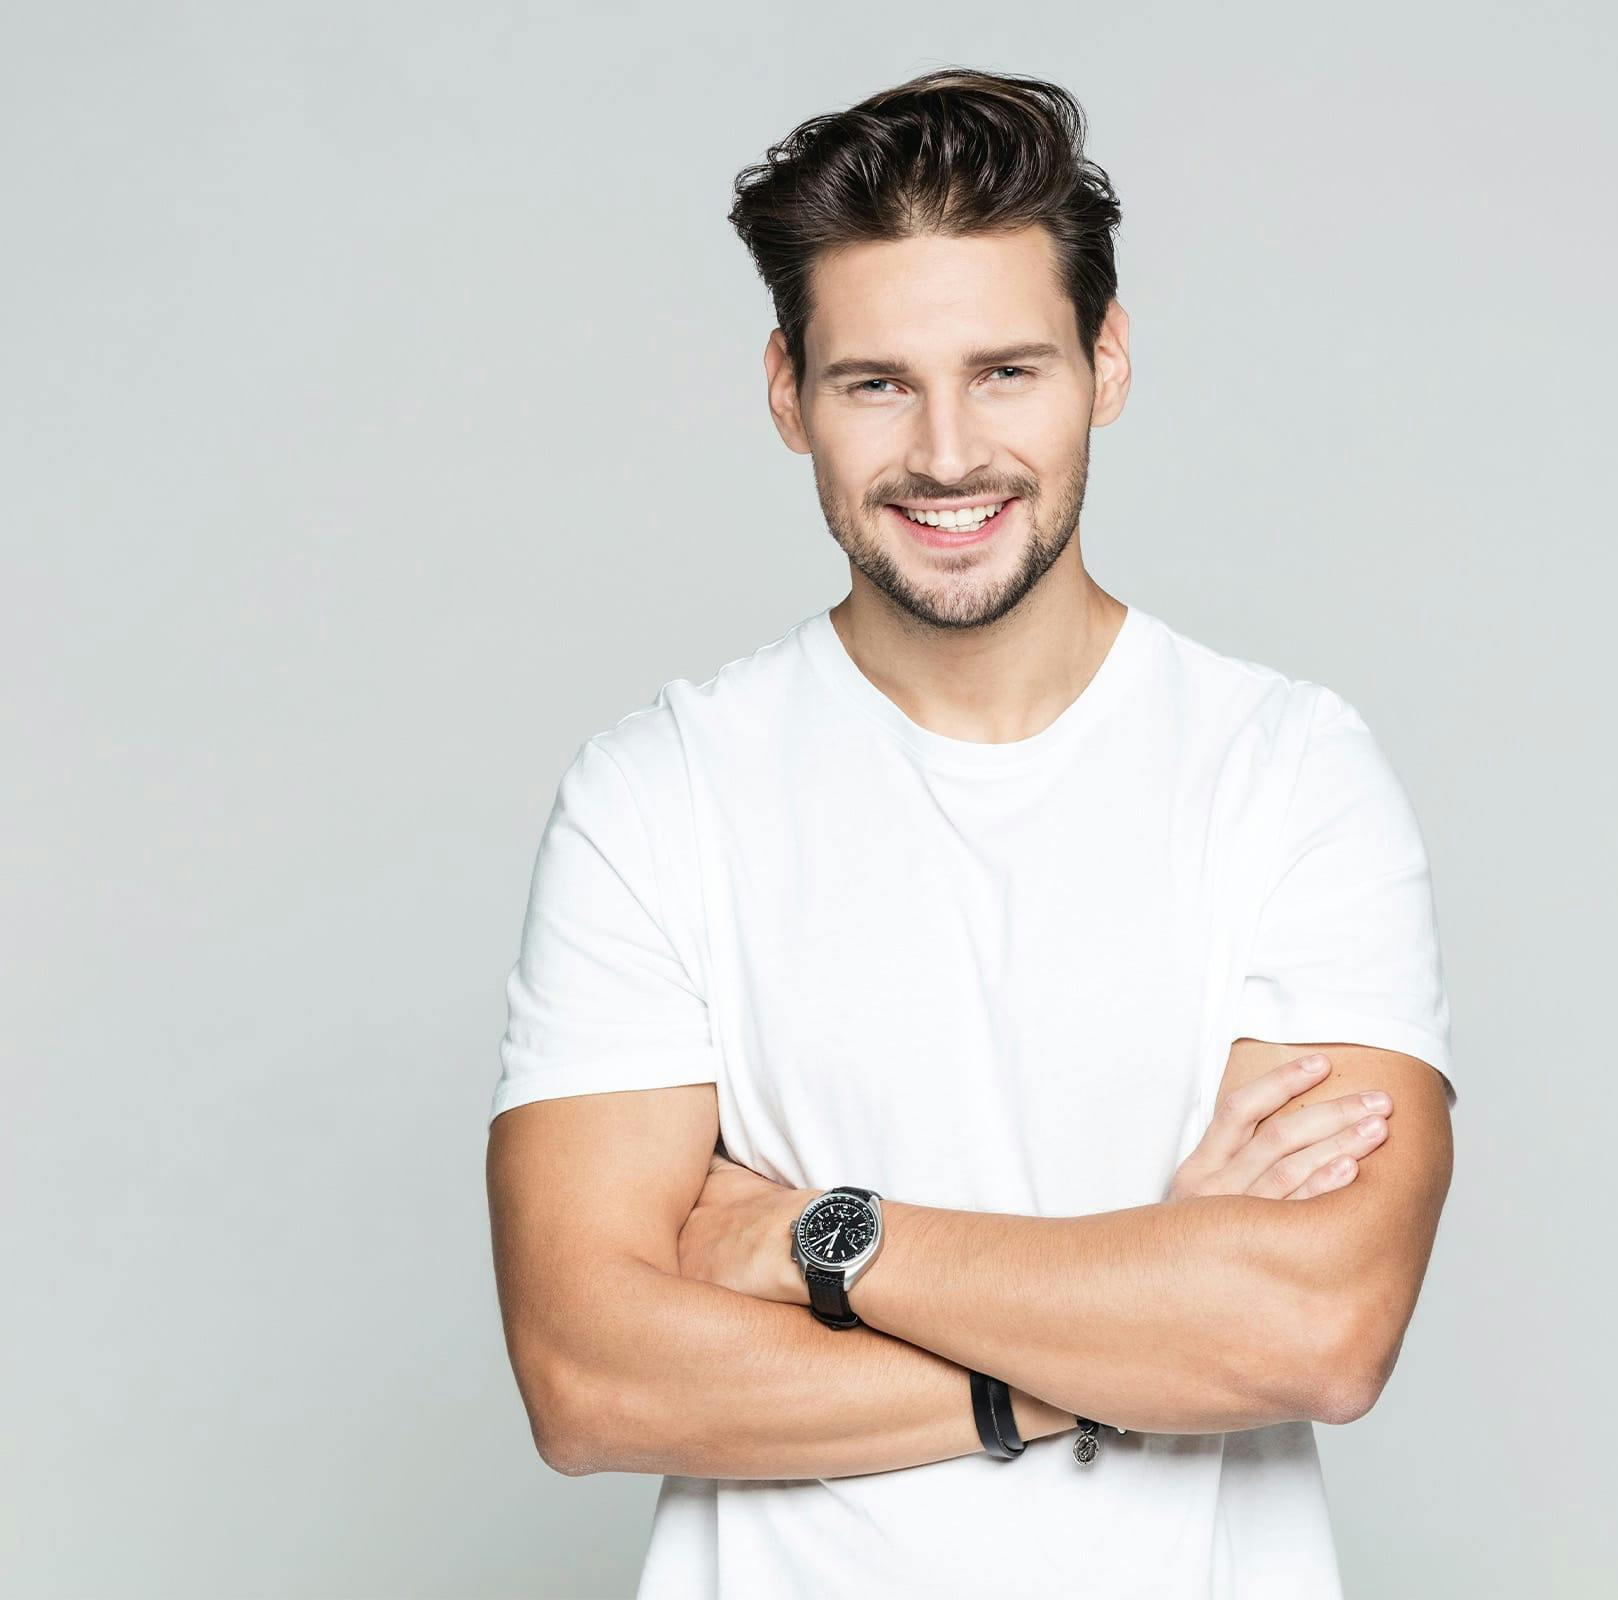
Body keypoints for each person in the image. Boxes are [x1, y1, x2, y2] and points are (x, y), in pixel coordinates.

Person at [485, 66, 1456, 1600]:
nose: (947, 453)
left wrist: (826, 1241)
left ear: (1106, 361)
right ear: (786, 389)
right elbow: (590, 1380)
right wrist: (1111, 1345)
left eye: (1007, 370)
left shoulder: (1287, 775)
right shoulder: (660, 794)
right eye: (877, 382)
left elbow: (1317, 1333)